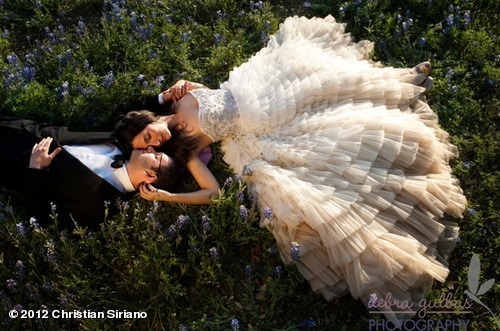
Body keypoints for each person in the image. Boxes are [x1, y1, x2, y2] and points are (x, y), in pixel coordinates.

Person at [114, 16, 466, 324]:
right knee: (342, 136)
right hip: (262, 131)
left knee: (332, 85)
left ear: (148, 119)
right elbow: (213, 192)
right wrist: (167, 195)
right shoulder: (185, 149)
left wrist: (181, 90)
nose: (154, 145)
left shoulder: (179, 95)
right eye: (148, 148)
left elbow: (212, 99)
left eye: (147, 136)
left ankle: (404, 81)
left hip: (262, 93)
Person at [0, 118, 180, 229]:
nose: (150, 148)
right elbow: (128, 112)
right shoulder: (123, 143)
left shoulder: (99, 208)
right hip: (17, 127)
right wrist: (164, 103)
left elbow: (40, 220)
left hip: (8, 160)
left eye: (156, 156)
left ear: (150, 176)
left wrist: (36, 169)